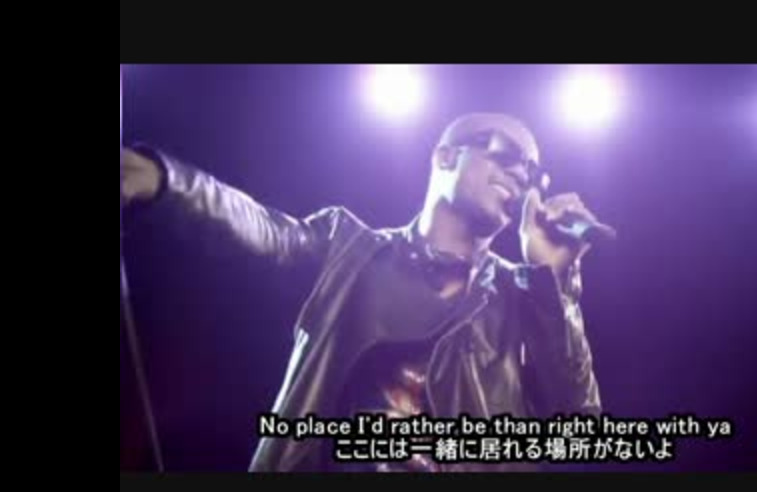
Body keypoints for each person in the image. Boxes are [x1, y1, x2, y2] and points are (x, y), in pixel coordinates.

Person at [121, 112, 603, 472]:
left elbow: (577, 422)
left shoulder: (526, 296)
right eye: (505, 153)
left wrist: (553, 281)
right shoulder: (348, 249)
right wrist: (166, 181)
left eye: (533, 171)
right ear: (445, 156)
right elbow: (263, 231)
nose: (521, 174)